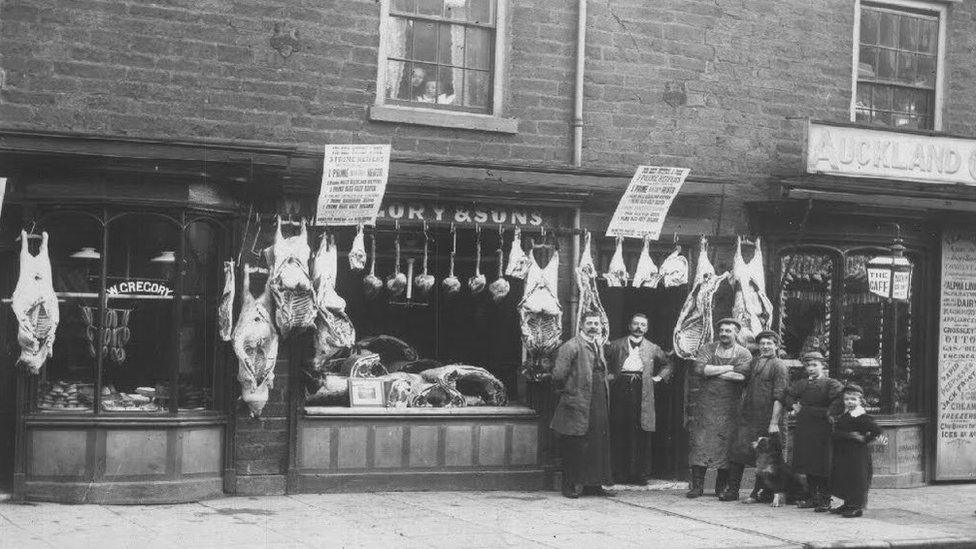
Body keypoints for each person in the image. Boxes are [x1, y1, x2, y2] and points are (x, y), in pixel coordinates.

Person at [687, 318, 752, 499]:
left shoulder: (744, 353)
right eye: (722, 330)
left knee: (726, 444)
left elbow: (741, 376)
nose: (724, 334)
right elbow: (700, 370)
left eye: (728, 331)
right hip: (706, 405)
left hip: (730, 407)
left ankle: (720, 487)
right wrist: (729, 367)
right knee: (700, 442)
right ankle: (697, 487)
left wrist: (713, 371)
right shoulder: (707, 349)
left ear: (736, 333)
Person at [550, 312, 613, 498]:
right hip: (578, 400)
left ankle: (593, 485)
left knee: (597, 442)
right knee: (576, 443)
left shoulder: (597, 344)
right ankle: (569, 486)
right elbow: (559, 375)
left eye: (596, 323)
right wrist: (571, 392)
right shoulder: (571, 346)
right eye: (590, 323)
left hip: (598, 398)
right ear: (581, 326)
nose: (594, 326)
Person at [606, 313, 674, 485]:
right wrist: (608, 376)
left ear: (647, 328)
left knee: (641, 430)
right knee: (620, 428)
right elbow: (601, 361)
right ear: (630, 326)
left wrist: (658, 378)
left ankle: (639, 474)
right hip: (620, 388)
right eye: (635, 324)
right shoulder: (615, 345)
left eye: (643, 325)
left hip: (643, 390)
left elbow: (668, 363)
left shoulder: (652, 347)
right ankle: (618, 472)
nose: (639, 327)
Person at [727, 330, 789, 502]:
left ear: (776, 346)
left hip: (766, 418)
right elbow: (740, 375)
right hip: (748, 417)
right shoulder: (754, 362)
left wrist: (774, 422)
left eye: (769, 343)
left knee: (764, 457)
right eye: (762, 343)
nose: (765, 346)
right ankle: (732, 490)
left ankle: (758, 493)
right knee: (737, 452)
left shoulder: (779, 366)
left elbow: (780, 396)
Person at [788, 351, 844, 511]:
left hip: (823, 426)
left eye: (814, 365)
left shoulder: (831, 383)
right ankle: (813, 497)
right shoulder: (802, 384)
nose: (811, 368)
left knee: (823, 462)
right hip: (805, 425)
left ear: (822, 365)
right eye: (808, 365)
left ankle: (825, 499)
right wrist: (794, 406)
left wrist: (830, 413)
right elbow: (788, 395)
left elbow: (839, 399)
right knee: (808, 462)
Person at [829, 384, 881, 518]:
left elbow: (876, 430)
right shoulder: (846, 415)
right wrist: (847, 435)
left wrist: (864, 439)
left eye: (853, 399)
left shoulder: (861, 416)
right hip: (844, 452)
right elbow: (839, 432)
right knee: (845, 476)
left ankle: (856, 506)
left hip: (857, 454)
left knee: (856, 478)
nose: (849, 402)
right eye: (847, 399)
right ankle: (848, 503)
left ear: (860, 401)